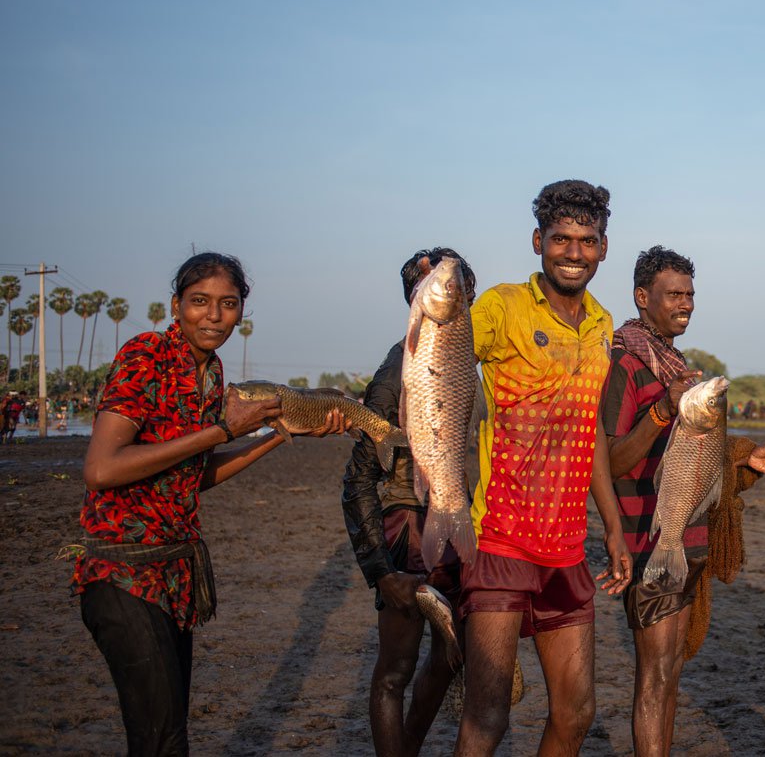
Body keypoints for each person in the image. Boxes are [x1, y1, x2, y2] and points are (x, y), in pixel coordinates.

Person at [69, 252, 349, 756]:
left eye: (227, 304)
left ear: (241, 312)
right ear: (175, 305)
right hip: (121, 573)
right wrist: (223, 430)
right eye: (200, 302)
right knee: (161, 739)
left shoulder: (212, 374)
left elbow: (194, 478)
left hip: (175, 575)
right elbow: (101, 469)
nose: (213, 316)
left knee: (168, 733)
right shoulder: (145, 356)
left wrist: (278, 434)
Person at [454, 180, 632, 757]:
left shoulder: (604, 326)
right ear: (538, 241)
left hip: (567, 549)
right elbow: (442, 355)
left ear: (604, 247)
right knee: (487, 717)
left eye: (586, 240)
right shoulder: (502, 307)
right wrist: (441, 302)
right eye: (561, 238)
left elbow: (593, 434)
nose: (573, 252)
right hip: (499, 541)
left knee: (576, 712)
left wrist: (612, 524)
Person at [601, 245, 765, 756]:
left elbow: (691, 452)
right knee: (655, 676)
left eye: (690, 295)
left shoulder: (675, 364)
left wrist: (746, 459)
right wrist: (663, 408)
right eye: (673, 294)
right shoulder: (626, 365)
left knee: (670, 675)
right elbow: (612, 459)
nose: (685, 304)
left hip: (686, 541)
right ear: (642, 297)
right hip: (649, 540)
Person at [343, 247, 477, 756]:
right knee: (395, 670)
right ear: (414, 296)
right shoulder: (400, 361)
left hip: (456, 516)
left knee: (453, 652)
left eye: (456, 279)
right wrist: (379, 569)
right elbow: (356, 477)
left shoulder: (468, 359)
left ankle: (409, 747)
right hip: (404, 526)